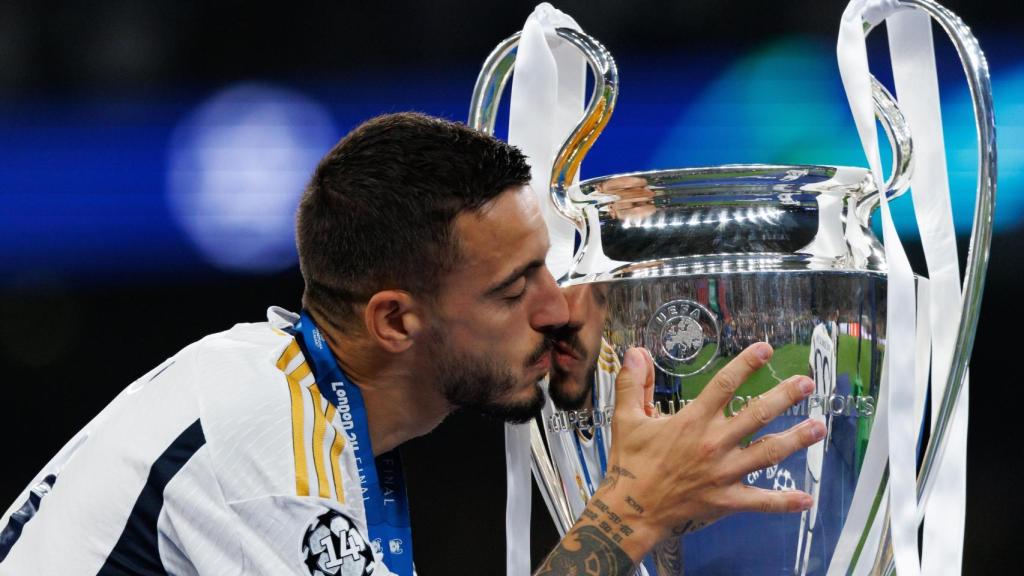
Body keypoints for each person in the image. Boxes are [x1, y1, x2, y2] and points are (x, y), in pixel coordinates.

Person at [0, 112, 824, 576]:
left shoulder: (293, 401)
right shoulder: (265, 438)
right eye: (513, 289)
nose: (554, 308)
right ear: (394, 320)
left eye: (545, 269)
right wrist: (631, 511)